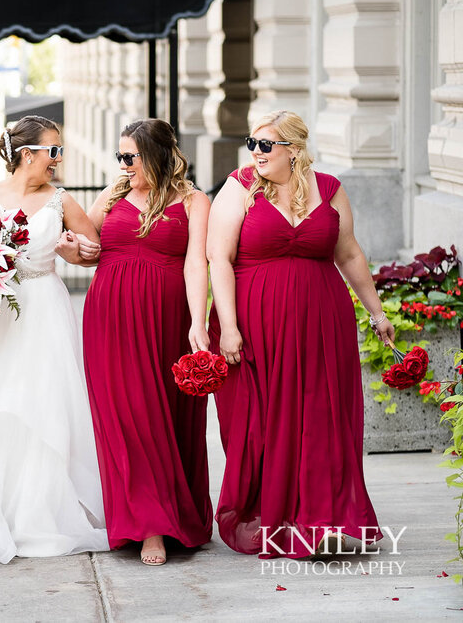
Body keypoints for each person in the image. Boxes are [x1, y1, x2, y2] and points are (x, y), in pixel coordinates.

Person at [207, 110, 395, 558]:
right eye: (251, 144)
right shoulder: (239, 186)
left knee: (321, 418)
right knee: (264, 424)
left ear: (293, 149)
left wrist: (377, 312)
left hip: (322, 325)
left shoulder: (328, 188)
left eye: (265, 146)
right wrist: (228, 327)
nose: (255, 154)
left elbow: (349, 254)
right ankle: (274, 516)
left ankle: (319, 519)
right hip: (257, 325)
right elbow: (220, 257)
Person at [0, 114, 109, 564]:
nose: (58, 159)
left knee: (41, 403)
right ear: (27, 154)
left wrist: (76, 253)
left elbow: (94, 254)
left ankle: (36, 510)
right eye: (54, 150)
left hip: (44, 310)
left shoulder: (62, 200)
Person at [80, 119, 213, 566]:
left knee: (165, 420)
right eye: (119, 156)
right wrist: (68, 249)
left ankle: (171, 513)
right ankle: (147, 525)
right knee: (126, 418)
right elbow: (85, 245)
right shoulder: (113, 194)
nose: (122, 165)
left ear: (155, 155)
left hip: (166, 322)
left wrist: (199, 321)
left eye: (129, 157)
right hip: (110, 321)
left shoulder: (194, 201)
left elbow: (197, 264)